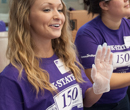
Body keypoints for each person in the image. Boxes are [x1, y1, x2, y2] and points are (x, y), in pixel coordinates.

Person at [0, 0, 113, 110]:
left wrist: (99, 87)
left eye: (59, 9)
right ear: (25, 16)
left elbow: (86, 101)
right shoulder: (12, 78)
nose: (58, 16)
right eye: (47, 9)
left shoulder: (67, 58)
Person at [75, 0, 130, 110]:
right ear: (104, 4)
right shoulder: (87, 34)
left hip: (122, 98)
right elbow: (98, 79)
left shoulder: (128, 26)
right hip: (98, 104)